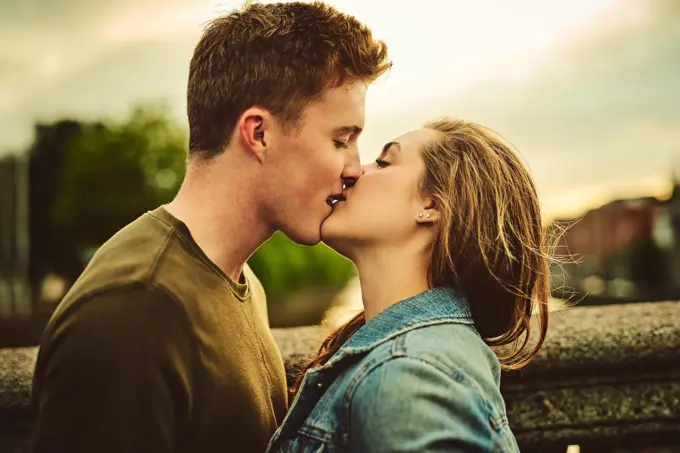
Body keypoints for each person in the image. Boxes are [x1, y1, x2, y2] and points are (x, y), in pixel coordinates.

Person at [29, 2, 390, 452]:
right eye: (341, 139)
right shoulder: (134, 309)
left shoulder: (239, 280)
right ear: (258, 134)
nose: (354, 168)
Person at [266, 119, 553, 452]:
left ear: (431, 206)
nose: (356, 171)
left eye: (384, 161)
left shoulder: (408, 375)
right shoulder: (424, 354)